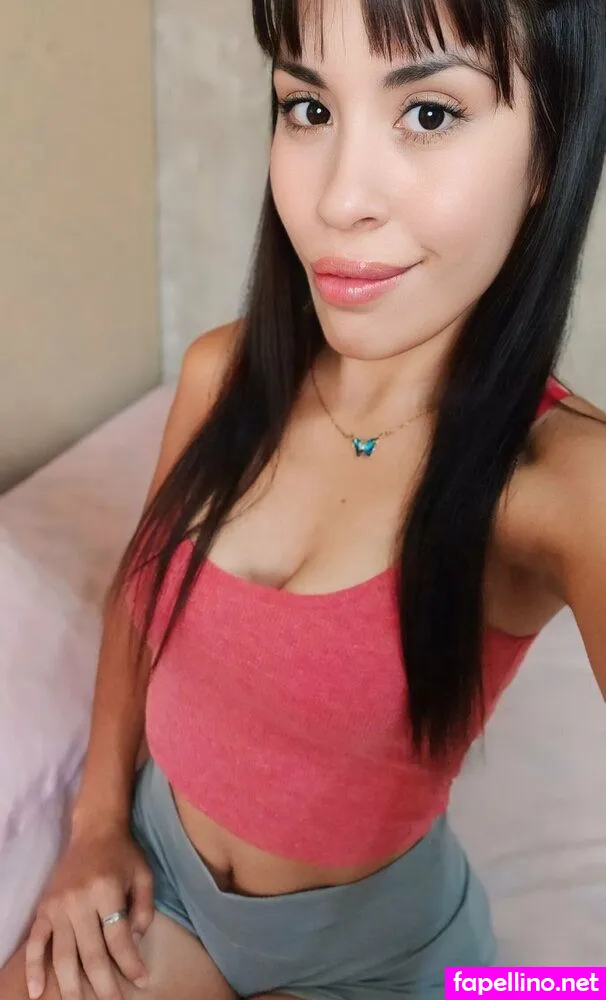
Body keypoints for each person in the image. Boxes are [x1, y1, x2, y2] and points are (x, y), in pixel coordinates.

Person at [2, 0, 605, 997]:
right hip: (162, 886)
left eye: (429, 113)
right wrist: (97, 823)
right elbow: (136, 606)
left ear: (549, 152)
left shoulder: (562, 482)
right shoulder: (222, 375)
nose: (338, 198)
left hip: (376, 959)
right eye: (309, 108)